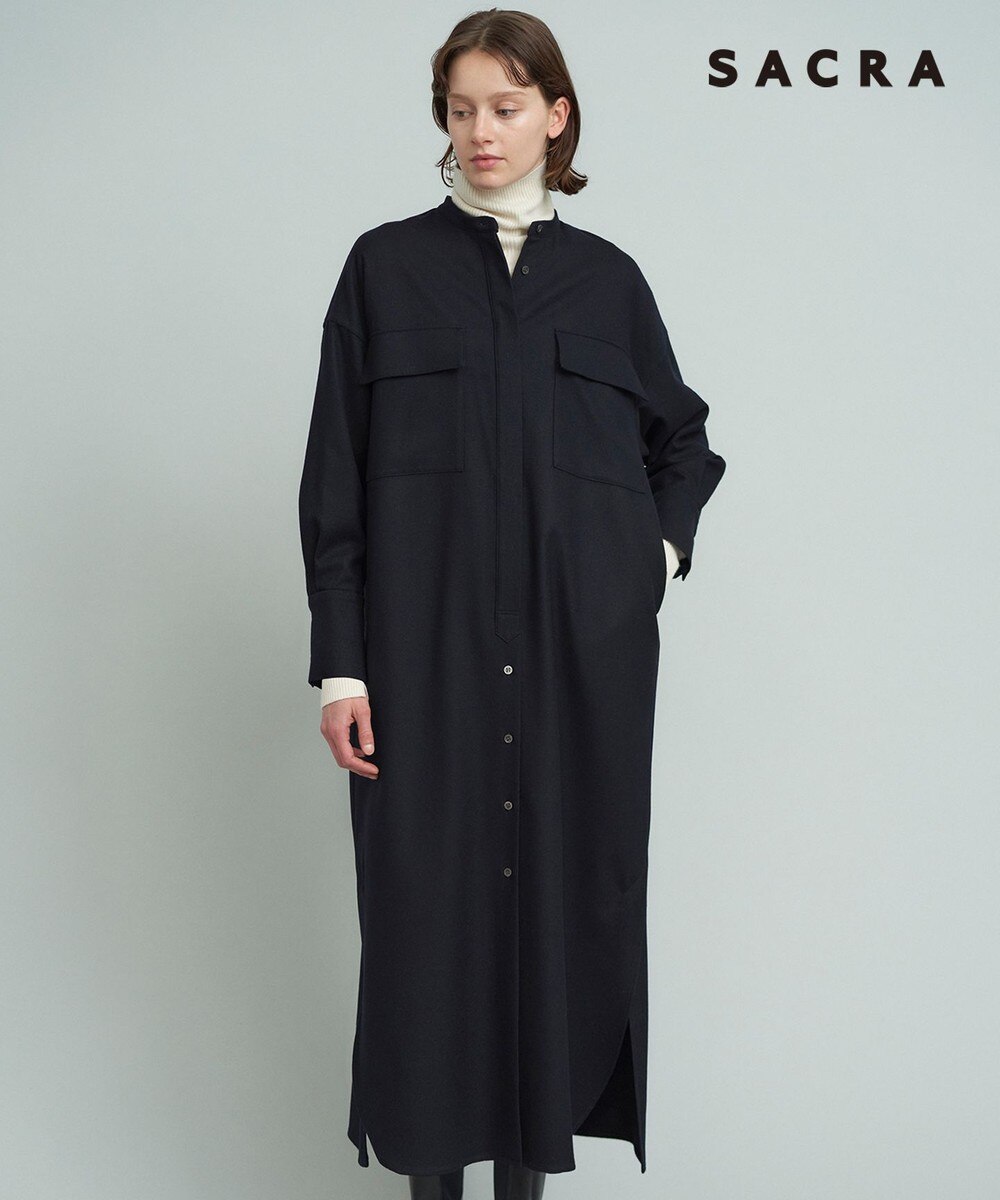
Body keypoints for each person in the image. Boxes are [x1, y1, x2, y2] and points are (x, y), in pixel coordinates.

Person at [298, 11, 726, 1200]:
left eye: (505, 105)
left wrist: (651, 557)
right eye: (460, 108)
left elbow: (683, 446)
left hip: (577, 671)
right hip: (420, 666)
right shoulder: (385, 269)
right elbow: (336, 476)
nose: (481, 130)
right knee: (425, 935)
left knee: (557, 919)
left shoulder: (606, 285)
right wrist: (343, 666)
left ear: (555, 114)